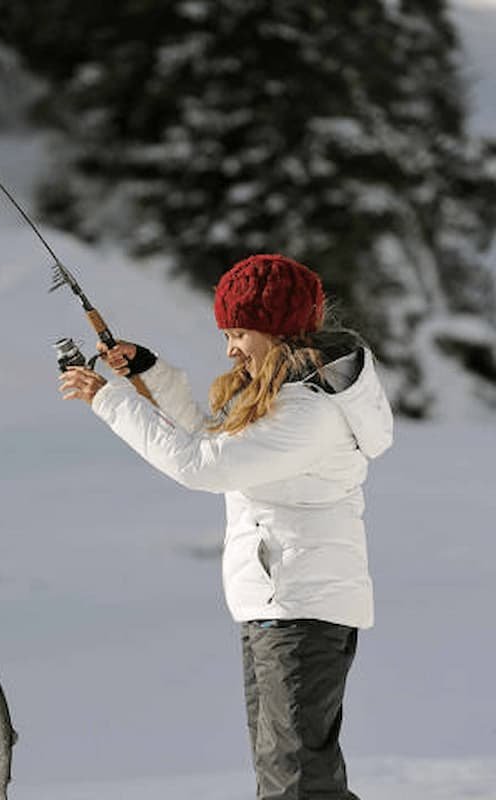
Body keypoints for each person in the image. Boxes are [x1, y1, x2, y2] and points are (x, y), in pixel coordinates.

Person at [58, 253, 393, 800]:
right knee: (284, 775)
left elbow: (202, 466)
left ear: (278, 331)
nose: (231, 347)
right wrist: (147, 372)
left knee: (297, 782)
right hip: (276, 604)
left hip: (301, 608)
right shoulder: (281, 397)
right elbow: (209, 441)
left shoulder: (307, 412)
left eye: (240, 332)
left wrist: (109, 399)